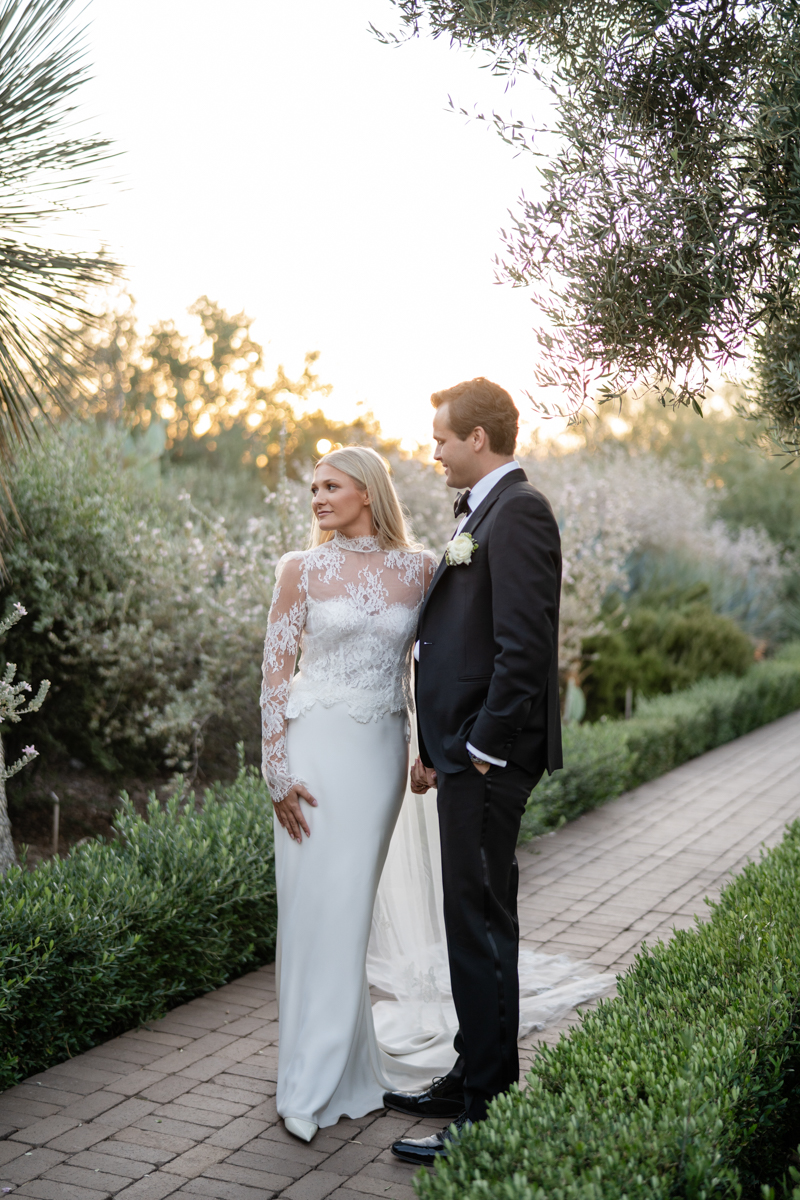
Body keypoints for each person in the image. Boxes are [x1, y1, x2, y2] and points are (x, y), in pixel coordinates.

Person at [386, 378, 563, 1167]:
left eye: (442, 439)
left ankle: (488, 1111)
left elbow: (522, 648)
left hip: (489, 761)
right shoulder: (482, 514)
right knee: (470, 921)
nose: (433, 453)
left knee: (483, 925)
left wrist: (481, 748)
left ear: (479, 439)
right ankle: (468, 1072)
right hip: (461, 754)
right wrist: (436, 744)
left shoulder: (518, 513)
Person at [260, 445, 437, 1143]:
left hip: (375, 758)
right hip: (311, 753)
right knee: (310, 912)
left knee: (349, 908)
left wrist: (431, 747)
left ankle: (349, 1065)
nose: (318, 498)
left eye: (330, 485)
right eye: (313, 489)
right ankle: (306, 1078)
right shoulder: (298, 571)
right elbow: (274, 673)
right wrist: (276, 770)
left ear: (366, 490)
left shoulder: (422, 570)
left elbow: (434, 671)